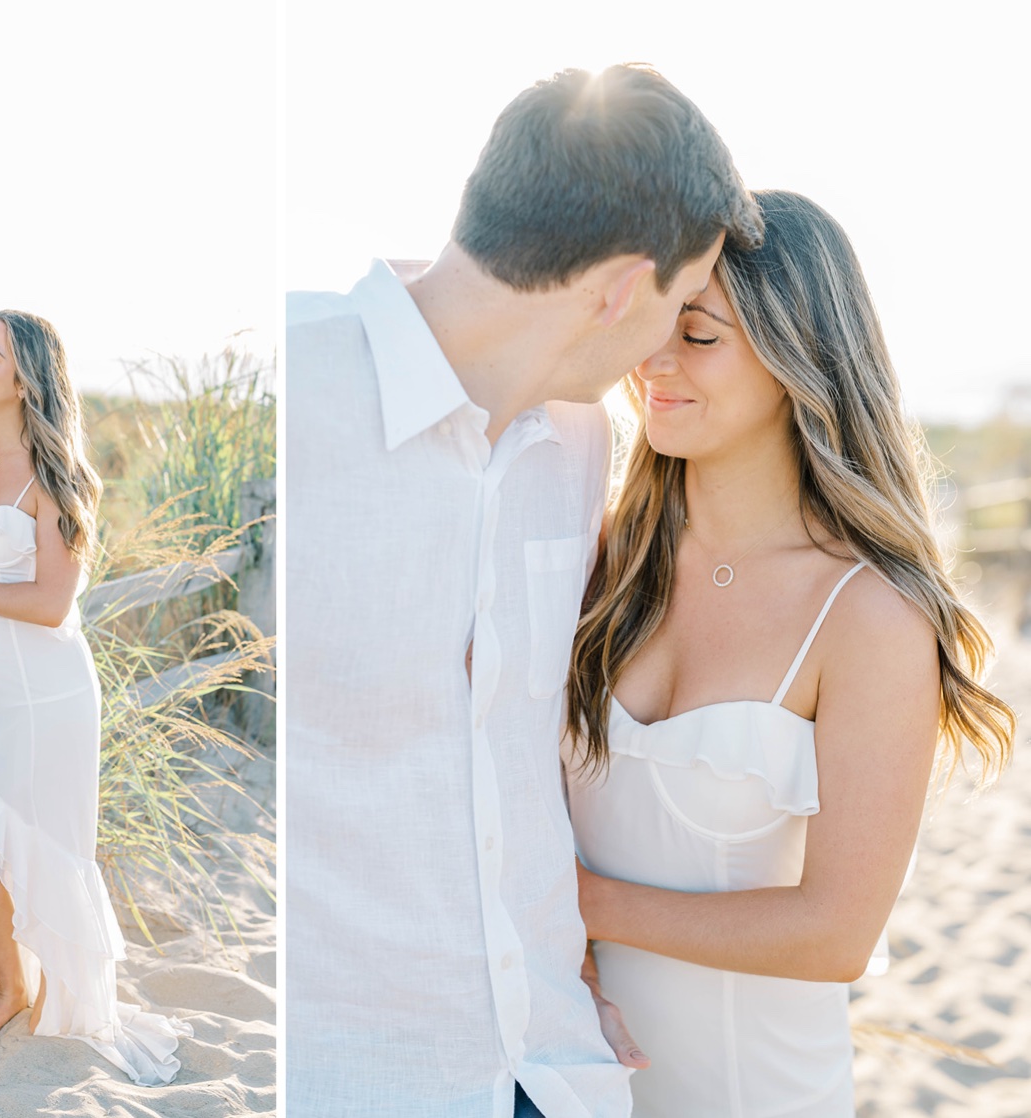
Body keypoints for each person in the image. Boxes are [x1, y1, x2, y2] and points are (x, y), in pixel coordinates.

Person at [287, 64, 762, 1117]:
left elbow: (514, 761)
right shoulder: (297, 385)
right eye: (681, 303)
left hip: (555, 1064)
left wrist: (571, 967)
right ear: (621, 289)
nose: (662, 348)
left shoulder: (581, 441)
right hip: (356, 1077)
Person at [563, 190, 1016, 1116]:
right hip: (570, 1078)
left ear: (794, 360)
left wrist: (579, 903)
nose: (655, 360)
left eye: (699, 335)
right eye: (656, 324)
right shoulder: (604, 553)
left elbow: (836, 933)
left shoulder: (871, 616)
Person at [0, 310, 190, 1085]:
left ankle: (16, 988)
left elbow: (50, 604)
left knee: (22, 847)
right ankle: (14, 979)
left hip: (46, 696)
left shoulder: (54, 478)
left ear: (25, 378)